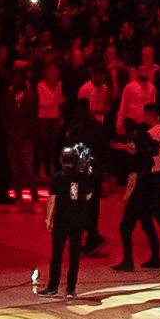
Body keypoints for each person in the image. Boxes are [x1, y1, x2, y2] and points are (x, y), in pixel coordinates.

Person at [40, 122, 102, 298]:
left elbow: (52, 199)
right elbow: (89, 195)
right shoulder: (83, 176)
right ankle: (71, 288)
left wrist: (48, 218)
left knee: (57, 254)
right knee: (74, 255)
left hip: (62, 219)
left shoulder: (58, 178)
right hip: (78, 218)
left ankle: (52, 287)